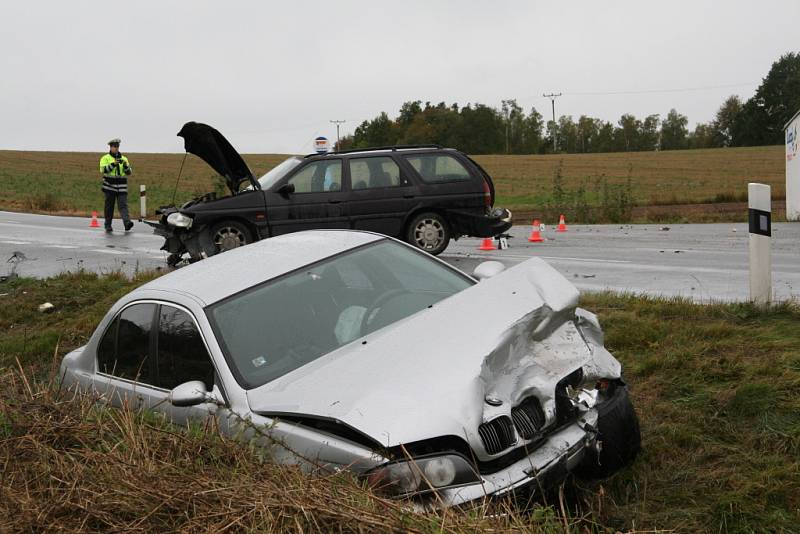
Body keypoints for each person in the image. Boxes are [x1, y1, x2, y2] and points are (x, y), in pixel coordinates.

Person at [99, 138, 133, 233]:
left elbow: (129, 172)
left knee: (123, 205)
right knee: (109, 207)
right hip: (109, 186)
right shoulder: (105, 158)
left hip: (121, 186)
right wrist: (113, 164)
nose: (116, 148)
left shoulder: (124, 158)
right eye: (114, 146)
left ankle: (127, 223)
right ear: (110, 147)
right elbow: (103, 170)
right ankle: (108, 225)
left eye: (117, 146)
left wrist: (126, 167)